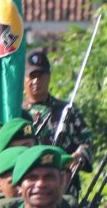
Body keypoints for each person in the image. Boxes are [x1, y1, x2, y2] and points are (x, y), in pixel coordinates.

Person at [23, 50, 92, 179]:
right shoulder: (18, 114)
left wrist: (80, 155)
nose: (36, 81)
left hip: (64, 181)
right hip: (29, 182)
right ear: (24, 79)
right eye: (32, 76)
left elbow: (87, 141)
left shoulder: (67, 110)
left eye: (41, 76)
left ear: (48, 77)